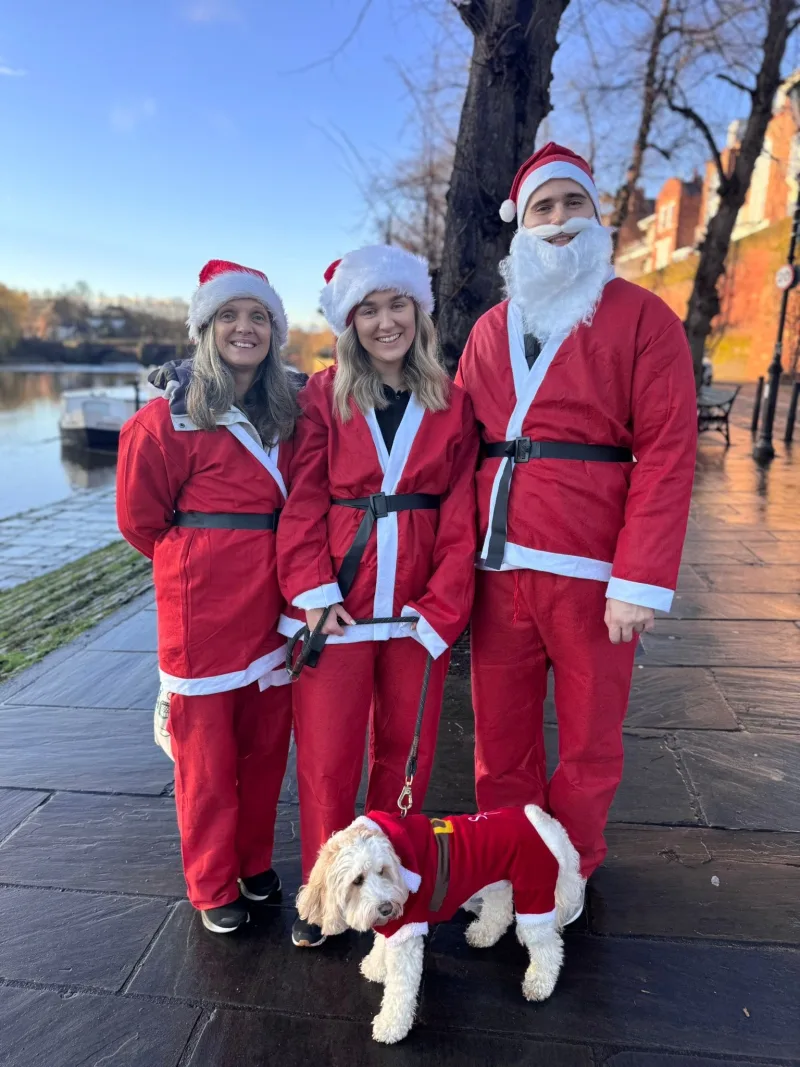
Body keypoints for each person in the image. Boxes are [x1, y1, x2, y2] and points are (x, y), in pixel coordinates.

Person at [455, 143, 697, 911]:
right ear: (520, 228)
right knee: (502, 737)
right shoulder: (489, 330)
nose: (559, 222)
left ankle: (570, 867)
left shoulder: (644, 319)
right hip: (500, 568)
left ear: (598, 216)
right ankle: (505, 855)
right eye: (542, 209)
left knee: (590, 738)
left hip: (594, 571)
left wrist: (639, 580)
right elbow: (454, 446)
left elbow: (665, 453)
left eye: (573, 204)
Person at [277, 245, 479, 948]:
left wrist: (443, 606)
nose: (386, 321)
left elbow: (462, 515)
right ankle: (328, 898)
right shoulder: (321, 396)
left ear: (418, 312)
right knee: (329, 760)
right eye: (370, 309)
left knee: (406, 755)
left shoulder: (451, 402)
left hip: (415, 610)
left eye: (398, 304)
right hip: (341, 606)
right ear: (351, 321)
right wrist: (312, 591)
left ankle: (388, 889)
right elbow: (301, 499)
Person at [117, 259, 303, 934]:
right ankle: (210, 880)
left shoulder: (291, 413)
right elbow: (141, 521)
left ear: (275, 332)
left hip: (275, 606)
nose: (245, 328)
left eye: (258, 316)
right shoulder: (162, 423)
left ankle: (253, 861)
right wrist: (198, 563)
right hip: (200, 613)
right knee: (205, 762)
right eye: (230, 315)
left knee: (263, 749)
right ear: (206, 327)